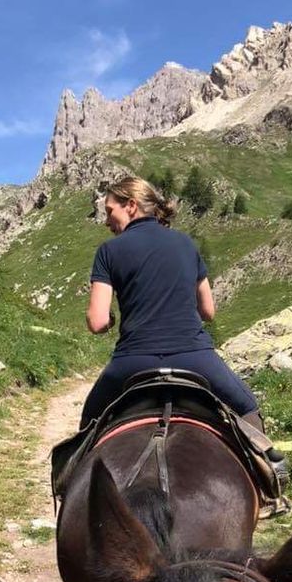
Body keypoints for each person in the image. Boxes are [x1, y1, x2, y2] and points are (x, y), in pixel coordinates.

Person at [80, 176, 265, 432]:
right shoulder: (186, 244)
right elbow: (208, 312)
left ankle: (67, 471)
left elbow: (97, 322)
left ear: (131, 205)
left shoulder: (109, 251)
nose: (106, 220)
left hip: (133, 361)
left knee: (87, 428)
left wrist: (111, 319)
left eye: (110, 211)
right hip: (195, 357)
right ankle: (272, 466)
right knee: (248, 409)